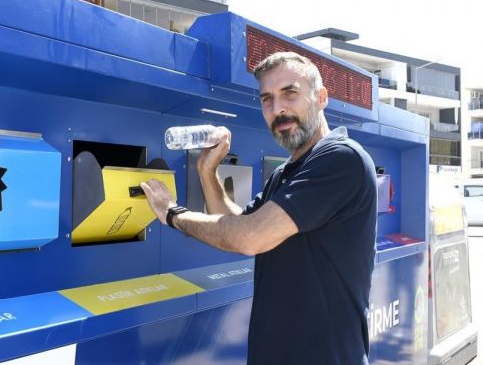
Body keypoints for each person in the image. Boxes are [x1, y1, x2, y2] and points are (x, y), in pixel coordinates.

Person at [141, 52, 377, 365]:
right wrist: (206, 171)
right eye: (267, 99)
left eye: (290, 94)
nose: (278, 109)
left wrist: (172, 214)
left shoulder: (341, 159)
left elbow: (249, 237)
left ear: (321, 98)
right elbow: (239, 224)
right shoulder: (286, 172)